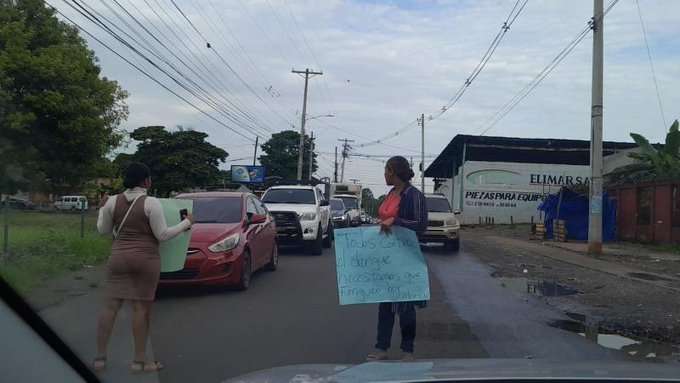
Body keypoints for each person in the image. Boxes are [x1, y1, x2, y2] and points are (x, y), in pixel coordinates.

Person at [93, 162, 193, 373]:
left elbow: (103, 230)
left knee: (110, 307)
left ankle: (100, 358)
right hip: (145, 261)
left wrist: (101, 210)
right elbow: (162, 235)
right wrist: (187, 223)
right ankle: (140, 362)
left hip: (118, 258)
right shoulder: (151, 203)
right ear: (146, 181)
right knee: (141, 310)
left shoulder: (112, 201)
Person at [367, 156, 428, 362]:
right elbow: (386, 220)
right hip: (387, 256)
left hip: (406, 257)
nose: (384, 174)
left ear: (393, 171)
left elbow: (420, 225)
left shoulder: (414, 195)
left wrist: (396, 220)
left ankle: (407, 351)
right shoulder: (391, 193)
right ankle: (381, 348)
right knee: (385, 303)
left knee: (405, 306)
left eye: (386, 170)